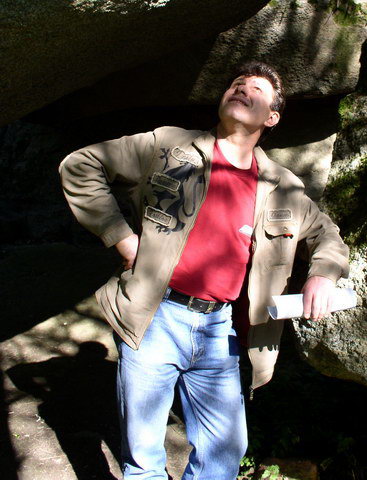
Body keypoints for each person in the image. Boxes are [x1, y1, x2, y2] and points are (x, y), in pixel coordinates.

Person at [59, 61, 349, 480]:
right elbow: (81, 165)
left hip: (219, 330)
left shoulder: (283, 186)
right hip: (154, 318)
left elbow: (327, 235)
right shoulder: (168, 145)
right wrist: (121, 237)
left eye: (256, 89)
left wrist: (322, 273)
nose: (242, 89)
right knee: (143, 459)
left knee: (224, 453)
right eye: (237, 84)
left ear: (271, 118)